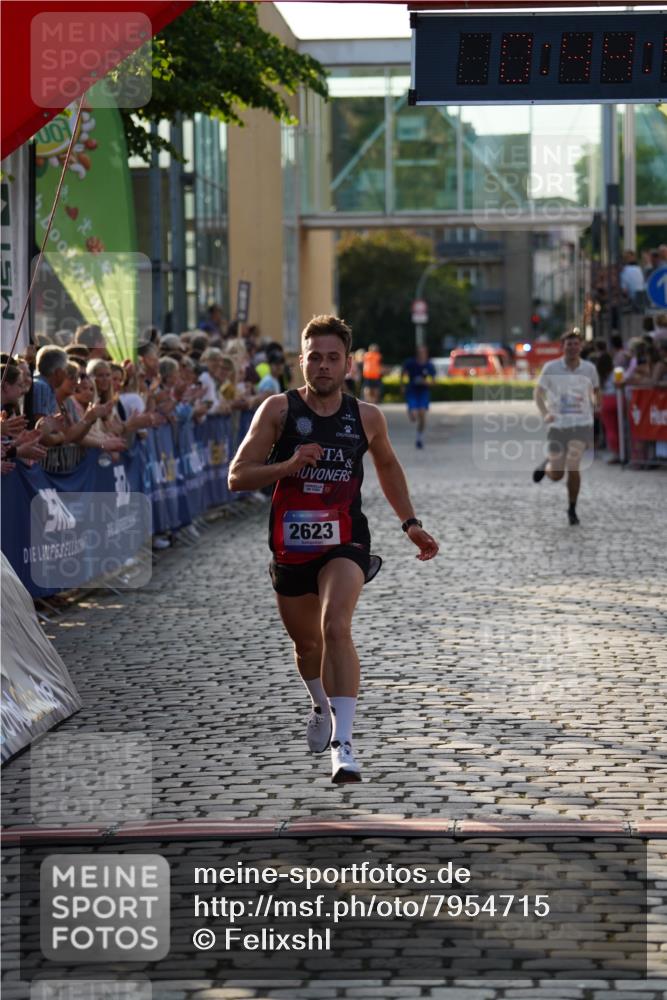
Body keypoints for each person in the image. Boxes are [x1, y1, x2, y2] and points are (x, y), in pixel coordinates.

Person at [228, 315, 439, 785]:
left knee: (336, 625)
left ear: (348, 364)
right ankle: (319, 702)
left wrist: (411, 524)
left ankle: (344, 745)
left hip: (346, 540)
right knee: (307, 644)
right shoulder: (278, 411)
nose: (323, 366)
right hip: (290, 545)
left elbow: (387, 468)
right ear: (301, 360)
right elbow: (237, 476)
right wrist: (288, 465)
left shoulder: (366, 417)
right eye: (314, 357)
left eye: (332, 358)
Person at [532, 330, 600, 526]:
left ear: (580, 347)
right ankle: (546, 468)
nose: (572, 347)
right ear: (562, 347)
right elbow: (538, 393)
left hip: (582, 425)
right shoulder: (551, 367)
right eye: (568, 344)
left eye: (576, 344)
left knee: (573, 465)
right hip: (558, 425)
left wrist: (596, 405)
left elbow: (596, 391)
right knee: (557, 474)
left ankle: (572, 508)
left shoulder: (589, 369)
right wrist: (545, 413)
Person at [401, 345, 436, 449]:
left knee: (422, 415)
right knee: (414, 416)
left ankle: (419, 438)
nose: (421, 354)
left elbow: (433, 382)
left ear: (426, 353)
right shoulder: (410, 363)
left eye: (423, 352)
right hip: (412, 390)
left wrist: (426, 382)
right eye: (419, 352)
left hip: (423, 392)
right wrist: (402, 385)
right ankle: (410, 410)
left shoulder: (429, 365)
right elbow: (403, 373)